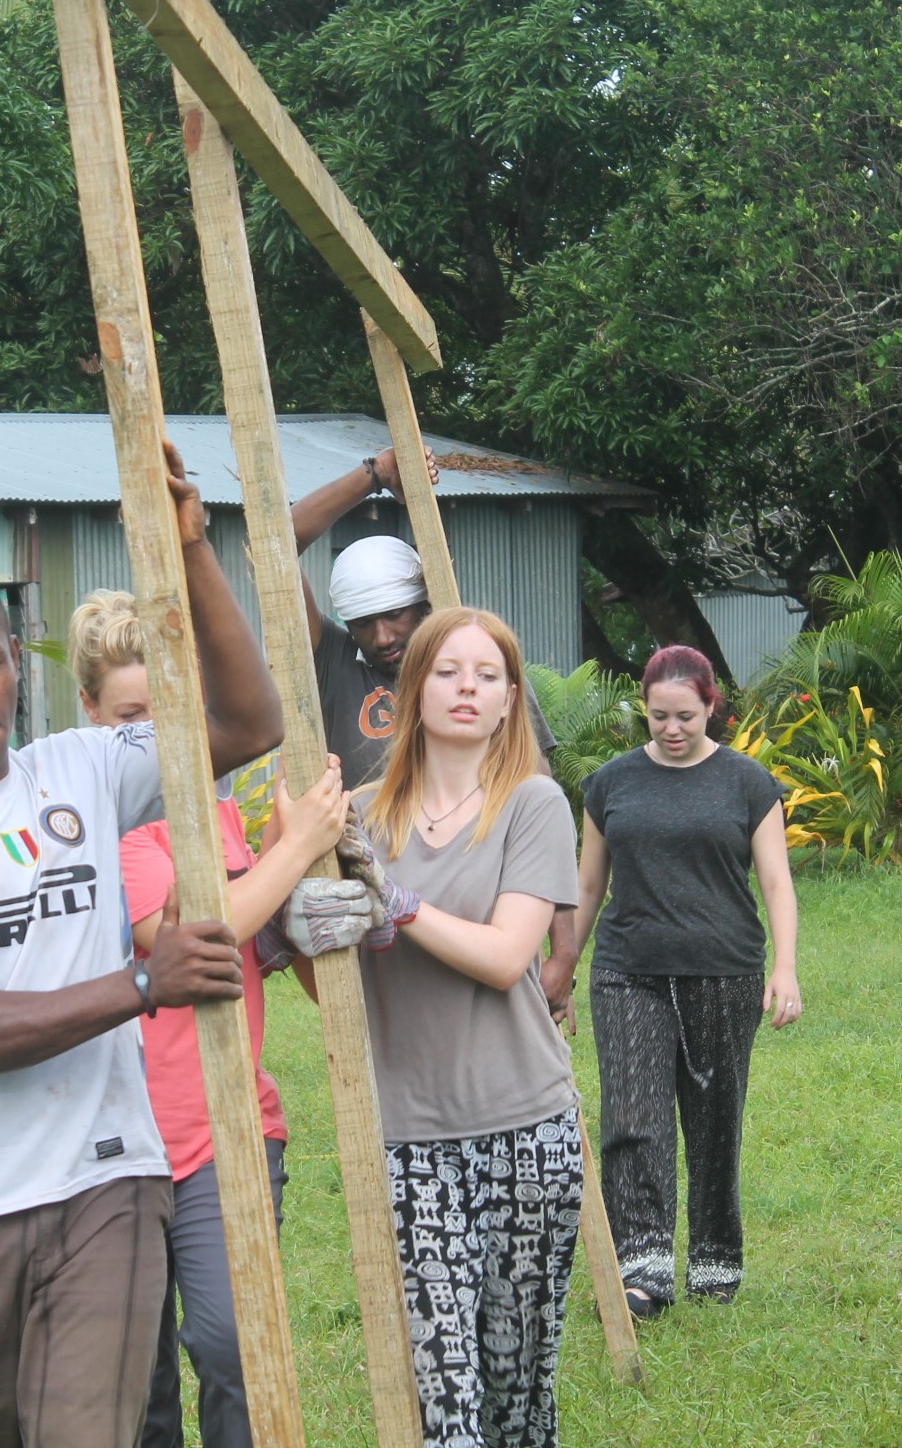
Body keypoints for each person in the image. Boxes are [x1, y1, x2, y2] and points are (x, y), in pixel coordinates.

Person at [0, 444, 284, 1448]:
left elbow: (247, 722)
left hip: (107, 1185)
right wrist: (139, 982)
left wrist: (194, 553)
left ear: (11, 657)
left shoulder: (80, 768)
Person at [68, 589, 353, 1448]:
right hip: (112, 1145)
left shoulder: (226, 819)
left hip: (227, 1129)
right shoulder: (99, 830)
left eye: (170, 711)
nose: (155, 737)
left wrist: (318, 902)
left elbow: (292, 969)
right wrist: (295, 849)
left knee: (235, 1343)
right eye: (130, 716)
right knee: (138, 1374)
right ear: (89, 713)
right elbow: (190, 937)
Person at [307, 607, 583, 1448]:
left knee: (516, 1397)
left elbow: (507, 957)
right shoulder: (357, 820)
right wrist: (313, 934)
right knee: (446, 1396)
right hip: (411, 1139)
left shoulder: (534, 805)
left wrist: (400, 903)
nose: (467, 687)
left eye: (488, 674)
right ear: (409, 688)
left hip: (527, 1132)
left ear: (509, 702)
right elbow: (347, 991)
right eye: (449, 670)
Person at [290, 448, 577, 1021]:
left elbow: (537, 802)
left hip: (483, 901)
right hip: (381, 920)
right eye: (365, 622)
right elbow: (276, 546)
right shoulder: (335, 664)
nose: (383, 634)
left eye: (396, 614)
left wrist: (564, 948)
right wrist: (374, 475)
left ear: (424, 603)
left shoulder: (478, 676)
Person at [571, 645, 802, 1318]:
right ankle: (643, 1266)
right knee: (633, 1118)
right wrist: (560, 970)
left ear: (711, 708)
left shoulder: (748, 782)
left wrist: (784, 966)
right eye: (658, 717)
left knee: (713, 1119)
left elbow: (776, 881)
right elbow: (588, 885)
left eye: (686, 717)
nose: (672, 729)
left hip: (724, 970)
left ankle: (715, 1260)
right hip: (626, 970)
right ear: (643, 710)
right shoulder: (610, 784)